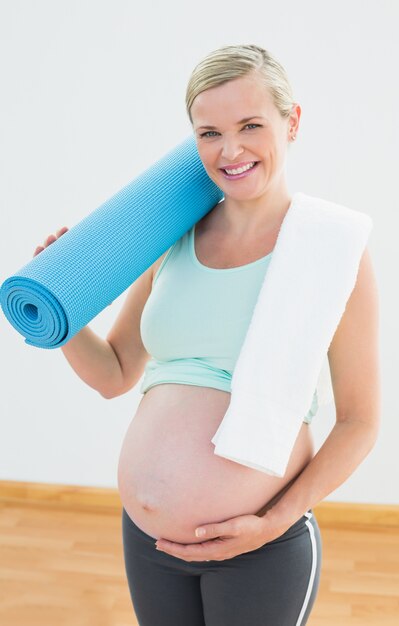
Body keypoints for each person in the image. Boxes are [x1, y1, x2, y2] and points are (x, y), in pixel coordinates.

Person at [35, 43, 380, 626]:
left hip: (260, 548)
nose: (231, 149)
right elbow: (115, 374)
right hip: (148, 542)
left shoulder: (332, 249)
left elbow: (360, 422)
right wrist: (63, 315)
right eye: (210, 132)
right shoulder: (170, 238)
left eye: (251, 125)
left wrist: (274, 520)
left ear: (292, 121)